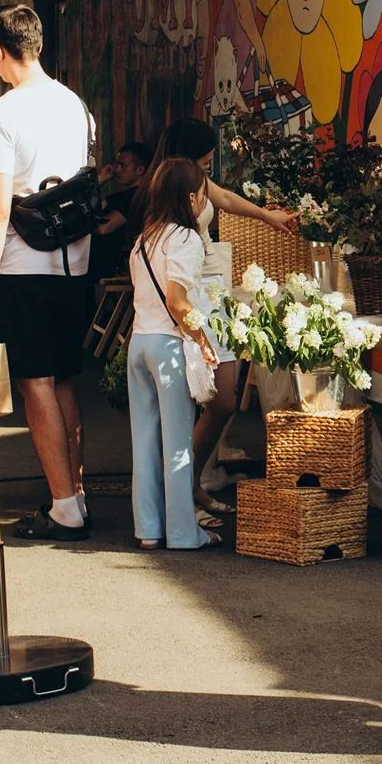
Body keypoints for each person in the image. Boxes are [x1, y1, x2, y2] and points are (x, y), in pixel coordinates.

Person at [0, 4, 97, 542]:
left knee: (36, 383)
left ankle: (65, 508)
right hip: (76, 262)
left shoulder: (0, 115)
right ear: (39, 44)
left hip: (23, 265)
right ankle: (74, 493)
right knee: (63, 377)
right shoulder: (75, 105)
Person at [146, 118, 294, 519]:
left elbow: (225, 198)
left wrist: (266, 216)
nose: (209, 168)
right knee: (190, 403)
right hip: (188, 299)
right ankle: (180, 496)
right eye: (205, 160)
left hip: (213, 296)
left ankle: (189, 484)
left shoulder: (195, 182)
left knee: (223, 400)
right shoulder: (167, 190)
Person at [126, 157, 222, 551]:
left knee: (145, 440)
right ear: (192, 198)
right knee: (178, 443)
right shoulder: (186, 238)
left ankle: (148, 529)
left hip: (139, 343)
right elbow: (177, 299)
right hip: (167, 346)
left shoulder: (144, 239)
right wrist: (201, 338)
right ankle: (183, 533)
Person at [91, 141, 152, 279]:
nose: (117, 169)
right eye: (117, 164)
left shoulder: (137, 197)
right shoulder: (119, 197)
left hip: (114, 267)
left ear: (140, 170)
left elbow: (104, 228)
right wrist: (100, 180)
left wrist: (80, 223)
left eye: (123, 165)